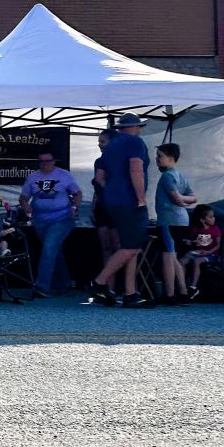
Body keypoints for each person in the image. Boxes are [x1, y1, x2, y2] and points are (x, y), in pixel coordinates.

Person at [88, 114, 151, 308]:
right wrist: (140, 196)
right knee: (132, 246)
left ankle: (130, 293)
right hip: (128, 200)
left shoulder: (110, 146)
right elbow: (136, 169)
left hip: (112, 199)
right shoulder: (135, 142)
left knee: (129, 245)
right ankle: (99, 282)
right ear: (135, 127)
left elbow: (99, 178)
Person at [19, 147, 83, 297]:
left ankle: (42, 286)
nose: (45, 164)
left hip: (62, 218)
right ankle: (63, 282)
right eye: (41, 161)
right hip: (40, 220)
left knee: (49, 247)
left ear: (54, 161)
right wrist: (25, 205)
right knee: (54, 250)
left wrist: (74, 206)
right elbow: (23, 197)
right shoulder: (32, 177)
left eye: (48, 161)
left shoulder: (64, 175)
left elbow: (77, 193)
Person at [154, 143, 197, 306]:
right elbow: (192, 197)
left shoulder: (167, 177)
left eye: (160, 156)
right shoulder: (181, 176)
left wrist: (181, 199)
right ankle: (183, 292)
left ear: (171, 159)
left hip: (168, 220)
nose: (157, 160)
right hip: (182, 221)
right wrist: (184, 200)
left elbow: (176, 198)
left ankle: (170, 294)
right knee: (174, 257)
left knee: (168, 257)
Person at [179, 205, 221, 298]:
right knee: (182, 261)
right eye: (210, 217)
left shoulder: (215, 229)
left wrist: (208, 252)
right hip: (197, 252)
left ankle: (193, 287)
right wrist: (188, 242)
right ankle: (182, 286)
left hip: (211, 254)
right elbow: (192, 242)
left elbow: (218, 245)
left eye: (213, 216)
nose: (213, 218)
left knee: (197, 261)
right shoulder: (196, 229)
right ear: (202, 220)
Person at [91, 129, 119, 265]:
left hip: (115, 208)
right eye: (99, 142)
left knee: (117, 246)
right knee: (105, 247)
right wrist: (93, 206)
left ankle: (120, 282)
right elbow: (97, 188)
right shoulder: (99, 162)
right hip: (101, 208)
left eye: (102, 142)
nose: (100, 145)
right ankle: (107, 284)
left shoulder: (121, 162)